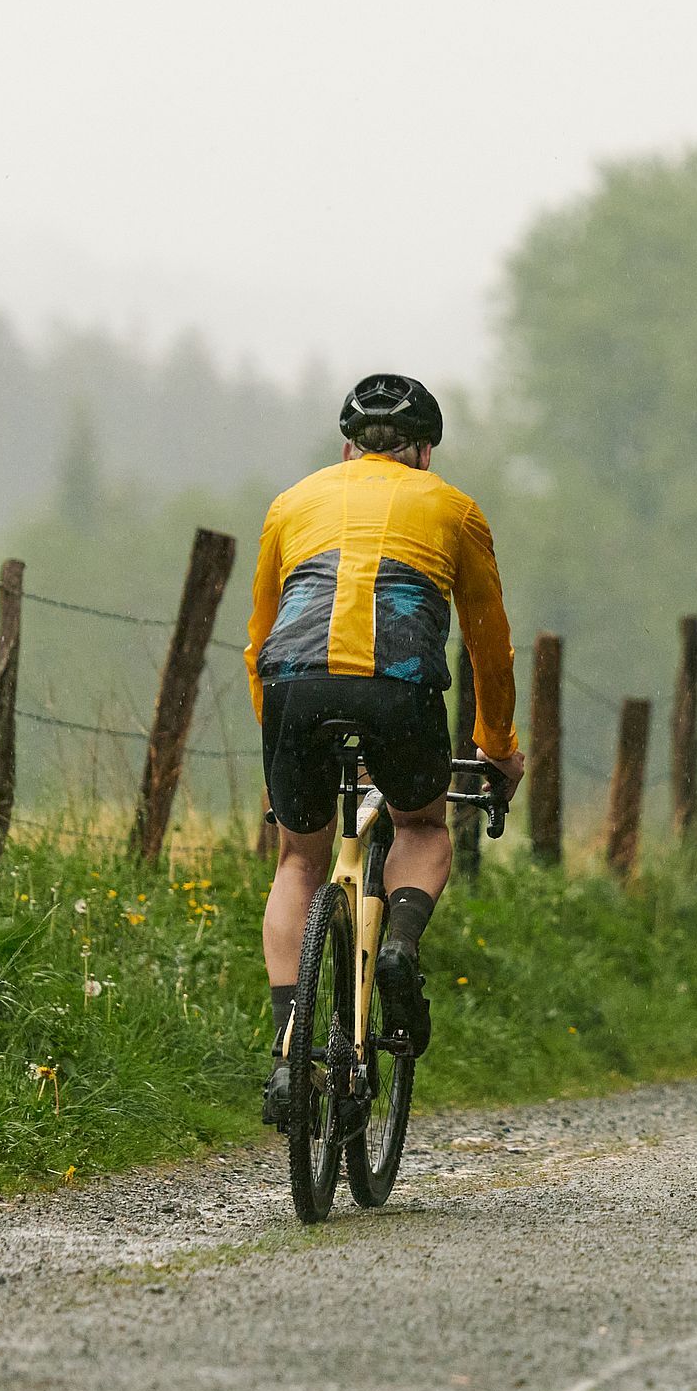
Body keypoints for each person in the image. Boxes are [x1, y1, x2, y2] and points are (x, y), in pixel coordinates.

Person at [245, 373, 524, 1124]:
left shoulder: (291, 503)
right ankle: (397, 943)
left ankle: (285, 1054)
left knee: (299, 859)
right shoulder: (455, 509)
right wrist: (497, 745)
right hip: (398, 690)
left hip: (294, 690)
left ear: (346, 446)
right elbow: (487, 647)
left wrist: (276, 742)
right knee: (423, 827)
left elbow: (257, 639)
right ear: (424, 453)